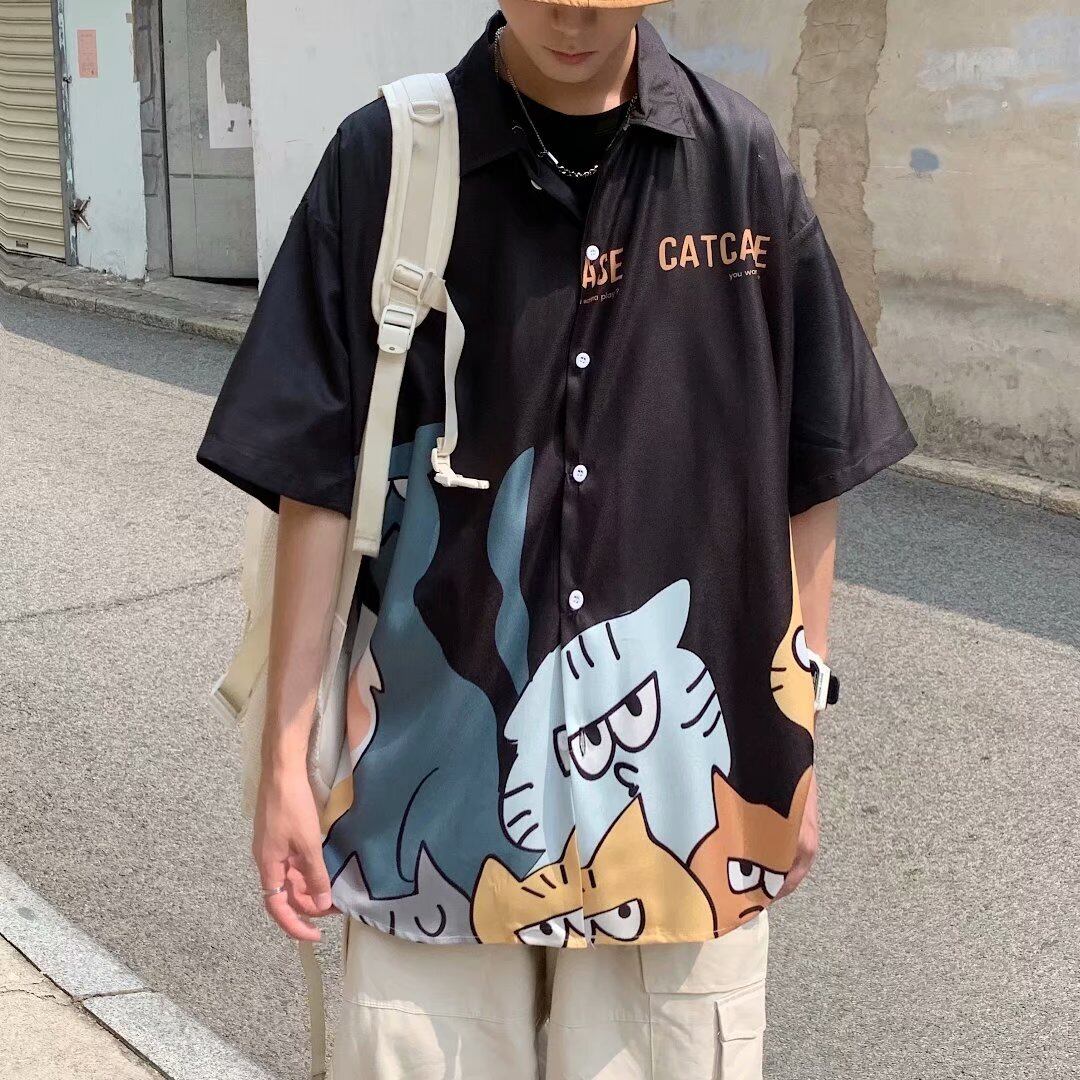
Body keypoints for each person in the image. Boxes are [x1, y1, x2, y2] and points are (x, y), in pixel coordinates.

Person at [195, 1, 917, 1076]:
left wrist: (793, 735)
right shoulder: (389, 159)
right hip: (431, 799)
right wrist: (284, 762)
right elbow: (317, 480)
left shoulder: (739, 167)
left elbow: (811, 465)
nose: (575, 9)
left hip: (680, 814)